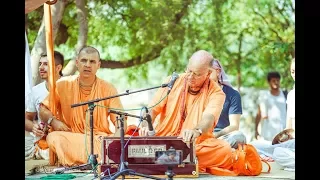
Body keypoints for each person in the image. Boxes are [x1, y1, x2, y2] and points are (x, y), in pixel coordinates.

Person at [139, 50, 235, 175]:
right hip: (164, 139)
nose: (190, 77)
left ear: (208, 73)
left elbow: (208, 118)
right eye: (188, 71)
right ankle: (174, 159)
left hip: (193, 144)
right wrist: (146, 124)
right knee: (130, 139)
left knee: (224, 151)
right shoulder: (172, 81)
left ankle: (160, 159)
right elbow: (153, 109)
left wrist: (196, 130)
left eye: (196, 74)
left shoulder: (216, 93)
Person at [39, 46, 125, 166]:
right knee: (54, 137)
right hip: (71, 136)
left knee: (119, 140)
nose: (87, 65)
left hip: (98, 138)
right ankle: (97, 159)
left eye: (92, 61)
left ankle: (84, 160)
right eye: (84, 60)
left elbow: (120, 119)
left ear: (98, 65)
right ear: (77, 63)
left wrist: (116, 138)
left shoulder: (108, 88)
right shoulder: (63, 84)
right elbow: (43, 109)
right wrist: (53, 121)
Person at [25, 51, 65, 160]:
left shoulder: (69, 86)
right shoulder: (35, 91)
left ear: (58, 68)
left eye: (46, 64)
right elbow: (27, 119)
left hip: (65, 137)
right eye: (40, 64)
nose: (41, 67)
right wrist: (33, 127)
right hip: (41, 141)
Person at [209, 59, 246, 149]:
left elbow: (234, 126)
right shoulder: (198, 93)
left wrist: (215, 135)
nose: (204, 75)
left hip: (222, 137)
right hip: (200, 136)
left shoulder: (232, 94)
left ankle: (211, 150)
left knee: (239, 137)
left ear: (218, 72)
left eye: (208, 72)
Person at [255, 71, 287, 141]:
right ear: (269, 82)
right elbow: (259, 114)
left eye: (278, 80)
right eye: (273, 80)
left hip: (283, 131)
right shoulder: (264, 96)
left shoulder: (285, 94)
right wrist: (256, 131)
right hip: (268, 132)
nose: (276, 82)